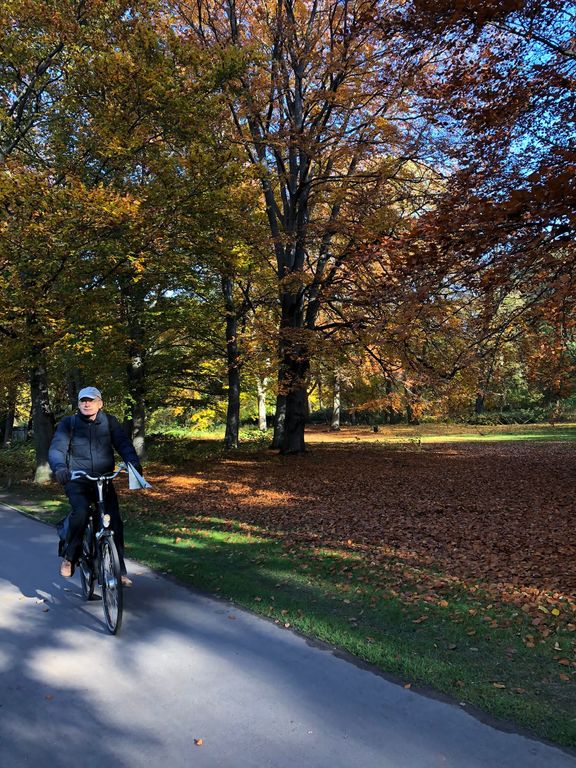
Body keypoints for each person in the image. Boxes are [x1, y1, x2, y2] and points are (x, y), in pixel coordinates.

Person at [48, 386, 142, 586]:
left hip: (104, 480)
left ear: (100, 403)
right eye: (83, 400)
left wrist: (133, 463)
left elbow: (124, 444)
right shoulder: (69, 424)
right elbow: (57, 448)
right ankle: (70, 557)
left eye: (91, 400)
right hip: (77, 481)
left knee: (114, 522)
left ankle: (119, 571)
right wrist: (59, 468)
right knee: (81, 513)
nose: (86, 404)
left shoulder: (109, 422)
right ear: (78, 404)